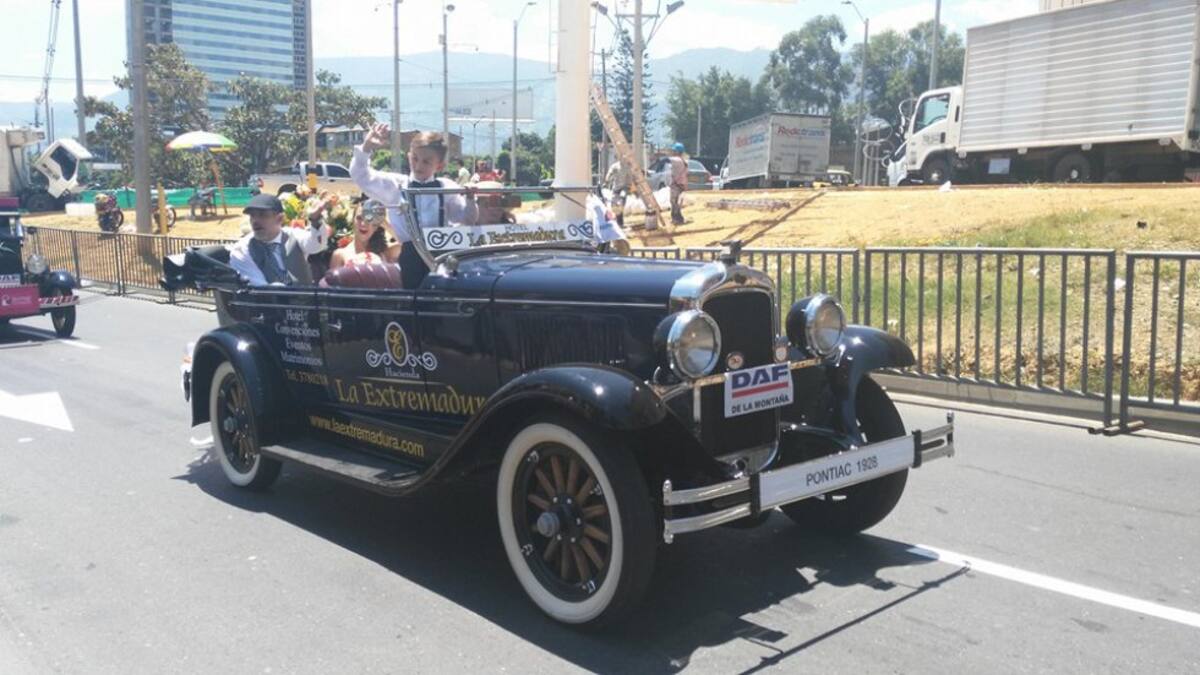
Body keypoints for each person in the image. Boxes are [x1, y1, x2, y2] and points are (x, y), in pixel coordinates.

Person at [351, 123, 478, 288]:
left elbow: (467, 219)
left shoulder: (446, 187)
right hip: (411, 255)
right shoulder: (395, 185)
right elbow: (361, 176)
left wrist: (470, 198)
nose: (418, 166)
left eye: (426, 162)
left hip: (442, 252)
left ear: (439, 165)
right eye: (415, 158)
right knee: (415, 299)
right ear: (409, 156)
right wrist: (366, 147)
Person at [228, 193, 330, 286]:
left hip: (306, 301)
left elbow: (316, 246)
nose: (255, 221)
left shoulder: (293, 235)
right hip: (269, 303)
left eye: (262, 215)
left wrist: (315, 219)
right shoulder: (241, 250)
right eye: (252, 216)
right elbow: (259, 286)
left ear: (280, 219)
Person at [329, 199, 401, 271]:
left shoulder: (386, 251)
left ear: (377, 226)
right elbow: (333, 281)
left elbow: (408, 244)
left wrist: (384, 223)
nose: (363, 224)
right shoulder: (340, 254)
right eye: (359, 218)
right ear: (352, 222)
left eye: (369, 219)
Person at [604, 158, 631, 227]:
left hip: (624, 188)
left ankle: (620, 222)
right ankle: (617, 221)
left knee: (621, 202)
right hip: (616, 188)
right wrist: (607, 180)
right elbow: (609, 173)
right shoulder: (615, 166)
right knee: (614, 205)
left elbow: (629, 177)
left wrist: (629, 186)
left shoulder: (627, 167)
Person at [668, 142, 688, 225]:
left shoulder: (677, 160)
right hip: (680, 185)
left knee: (674, 202)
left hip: (677, 185)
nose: (672, 152)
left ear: (677, 151)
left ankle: (677, 218)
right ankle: (676, 218)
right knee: (676, 202)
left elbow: (668, 160)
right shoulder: (683, 161)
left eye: (674, 151)